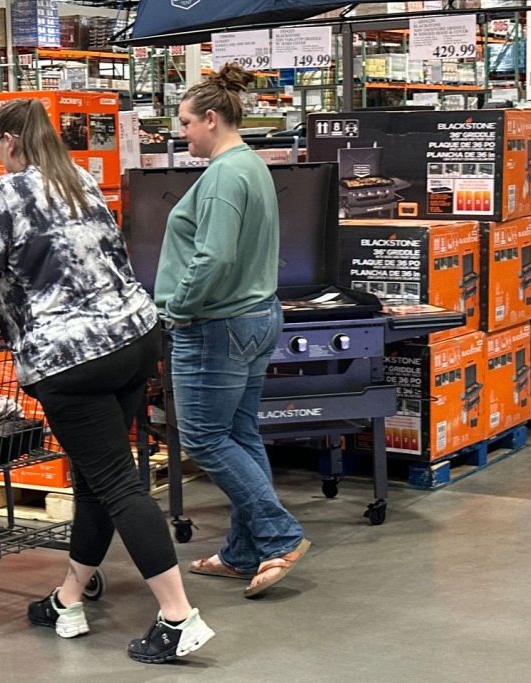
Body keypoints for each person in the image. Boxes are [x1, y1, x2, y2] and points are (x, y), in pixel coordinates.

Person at [0, 98, 213, 665]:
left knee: (118, 484)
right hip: (135, 338)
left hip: (72, 357)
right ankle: (67, 600)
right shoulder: (78, 180)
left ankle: (178, 618)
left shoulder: (7, 192)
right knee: (97, 480)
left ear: (9, 141)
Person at [155, 64, 310, 598]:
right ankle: (246, 552)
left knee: (203, 437)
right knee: (240, 436)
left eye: (185, 123)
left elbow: (214, 256)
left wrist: (178, 307)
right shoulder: (252, 166)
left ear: (211, 119)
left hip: (216, 323)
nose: (182, 134)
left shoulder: (223, 175)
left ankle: (280, 534)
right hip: (255, 316)